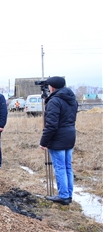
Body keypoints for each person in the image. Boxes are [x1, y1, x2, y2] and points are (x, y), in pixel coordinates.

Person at [40, 76, 78, 205]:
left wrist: (44, 141)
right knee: (67, 166)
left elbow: (51, 124)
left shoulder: (55, 101)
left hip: (58, 138)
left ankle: (63, 196)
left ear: (52, 87)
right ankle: (68, 194)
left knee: (60, 167)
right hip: (70, 135)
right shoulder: (71, 99)